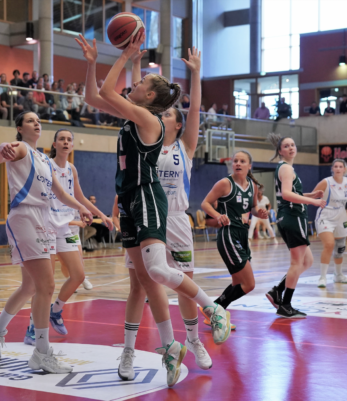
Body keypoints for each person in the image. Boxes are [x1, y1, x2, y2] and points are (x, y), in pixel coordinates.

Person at [76, 32, 231, 388]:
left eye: (142, 82)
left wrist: (123, 57)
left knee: (160, 272)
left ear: (151, 99)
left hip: (152, 200)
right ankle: (167, 347)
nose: (136, 83)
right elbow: (92, 96)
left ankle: (211, 310)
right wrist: (92, 64)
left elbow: (111, 92)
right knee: (143, 281)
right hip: (131, 200)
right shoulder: (134, 116)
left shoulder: (152, 123)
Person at [122, 46, 214, 372]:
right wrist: (134, 65)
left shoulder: (186, 147)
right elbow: (138, 103)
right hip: (145, 214)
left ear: (178, 124)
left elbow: (195, 108)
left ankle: (194, 341)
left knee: (184, 285)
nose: (162, 117)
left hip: (175, 219)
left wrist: (195, 73)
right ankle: (129, 351)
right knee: (139, 286)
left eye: (169, 115)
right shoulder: (145, 140)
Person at [0, 111, 93, 374]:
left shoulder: (43, 158)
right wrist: (1, 148)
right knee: (47, 285)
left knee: (30, 286)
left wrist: (81, 207)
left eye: (38, 121)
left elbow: (60, 193)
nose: (36, 123)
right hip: (25, 216)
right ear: (20, 128)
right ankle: (42, 352)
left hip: (44, 218)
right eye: (30, 121)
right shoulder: (20, 148)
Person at [24, 129, 112, 344]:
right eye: (61, 139)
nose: (65, 142)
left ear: (72, 145)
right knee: (45, 284)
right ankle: (33, 327)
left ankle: (55, 310)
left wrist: (100, 214)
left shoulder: (71, 168)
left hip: (66, 229)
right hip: (47, 227)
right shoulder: (47, 165)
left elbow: (78, 196)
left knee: (78, 275)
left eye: (69, 139)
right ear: (54, 144)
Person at [265, 133, 326, 318]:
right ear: (280, 151)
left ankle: (277, 291)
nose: (291, 147)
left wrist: (310, 195)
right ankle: (285, 304)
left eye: (293, 144)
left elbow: (290, 193)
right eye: (286, 146)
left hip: (289, 216)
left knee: (307, 261)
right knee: (297, 263)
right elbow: (287, 194)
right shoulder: (286, 169)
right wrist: (313, 202)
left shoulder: (285, 168)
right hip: (293, 217)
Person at [202, 151, 267, 317]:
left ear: (249, 166)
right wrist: (218, 215)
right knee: (249, 284)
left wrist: (259, 212)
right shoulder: (225, 183)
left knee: (237, 283)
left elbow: (252, 208)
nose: (238, 163)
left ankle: (215, 313)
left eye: (242, 161)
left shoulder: (252, 186)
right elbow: (205, 203)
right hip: (229, 235)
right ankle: (214, 309)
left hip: (242, 235)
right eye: (235, 160)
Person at [312, 159, 347, 288]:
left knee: (340, 247)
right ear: (332, 169)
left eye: (340, 166)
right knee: (329, 244)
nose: (338, 168)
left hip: (341, 216)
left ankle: (338, 275)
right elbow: (312, 195)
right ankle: (322, 277)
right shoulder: (326, 182)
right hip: (325, 215)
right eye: (336, 166)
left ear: (344, 169)